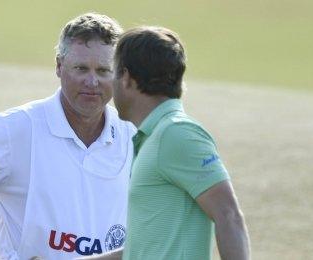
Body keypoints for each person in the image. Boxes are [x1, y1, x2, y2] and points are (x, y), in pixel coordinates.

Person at [0, 13, 134, 260]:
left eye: (104, 70)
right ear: (59, 66)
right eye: (81, 68)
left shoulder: (135, 138)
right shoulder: (11, 129)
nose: (92, 81)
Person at [90, 26, 251, 259]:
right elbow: (139, 251)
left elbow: (229, 215)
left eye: (113, 73)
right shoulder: (156, 137)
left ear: (126, 78)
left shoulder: (177, 134)